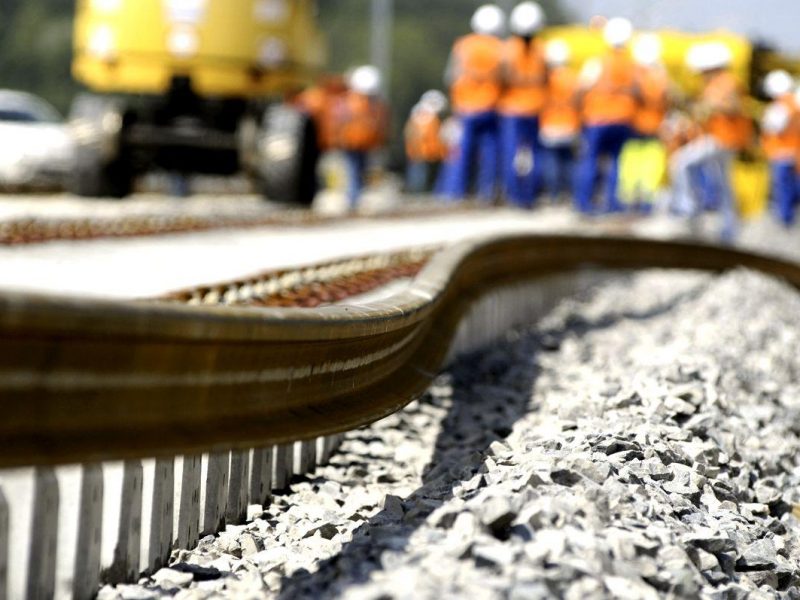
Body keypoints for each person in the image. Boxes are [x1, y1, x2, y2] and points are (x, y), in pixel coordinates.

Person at [669, 42, 750, 241]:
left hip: (725, 139)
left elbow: (733, 107)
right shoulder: (714, 84)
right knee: (722, 183)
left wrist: (713, 107)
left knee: (682, 161)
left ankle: (688, 210)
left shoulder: (728, 81)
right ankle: (727, 229)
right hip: (720, 138)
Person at [574, 17, 638, 214]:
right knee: (616, 162)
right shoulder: (632, 65)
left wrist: (579, 113)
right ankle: (612, 203)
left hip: (598, 120)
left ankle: (585, 204)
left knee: (590, 160)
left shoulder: (598, 62)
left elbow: (581, 89)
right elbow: (637, 91)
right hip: (623, 119)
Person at [444, 4, 505, 202]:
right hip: (491, 107)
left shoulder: (463, 45)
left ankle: (456, 193)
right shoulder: (501, 48)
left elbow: (451, 76)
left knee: (462, 152)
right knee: (490, 152)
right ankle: (486, 192)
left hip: (466, 107)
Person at [497, 1, 547, 208]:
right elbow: (546, 78)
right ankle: (530, 196)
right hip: (534, 108)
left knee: (512, 152)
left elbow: (502, 76)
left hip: (512, 109)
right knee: (534, 153)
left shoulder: (508, 48)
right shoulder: (541, 50)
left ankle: (514, 195)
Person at [617, 33, 672, 210]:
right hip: (651, 125)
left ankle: (631, 198)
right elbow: (665, 98)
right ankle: (644, 198)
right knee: (649, 161)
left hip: (636, 124)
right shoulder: (661, 74)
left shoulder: (636, 73)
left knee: (633, 161)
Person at [331, 66, 389, 210]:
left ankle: (354, 198)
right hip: (354, 142)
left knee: (357, 170)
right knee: (354, 170)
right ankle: (353, 199)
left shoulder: (354, 101)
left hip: (359, 142)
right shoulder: (364, 103)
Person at [539, 39, 580, 203]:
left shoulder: (545, 79)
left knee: (551, 163)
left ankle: (554, 195)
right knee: (569, 163)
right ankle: (570, 193)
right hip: (570, 126)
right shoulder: (573, 78)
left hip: (549, 126)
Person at [761, 69, 799, 226]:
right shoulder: (795, 103)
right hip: (794, 153)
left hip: (780, 152)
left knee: (782, 187)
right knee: (792, 185)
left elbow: (773, 126)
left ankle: (784, 219)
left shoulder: (780, 106)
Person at [404, 90, 448, 194]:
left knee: (420, 174)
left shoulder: (421, 114)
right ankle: (416, 193)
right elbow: (417, 135)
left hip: (425, 152)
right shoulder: (423, 115)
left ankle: (419, 191)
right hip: (420, 153)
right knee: (418, 175)